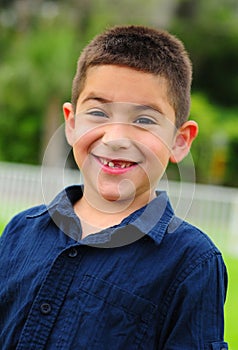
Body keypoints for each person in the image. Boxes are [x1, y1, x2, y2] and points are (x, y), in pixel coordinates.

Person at [0, 25, 228, 349]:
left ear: (180, 141)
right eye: (98, 113)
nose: (117, 137)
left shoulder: (193, 262)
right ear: (71, 123)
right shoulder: (19, 232)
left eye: (144, 120)